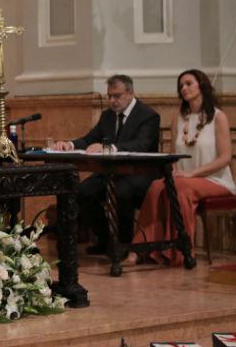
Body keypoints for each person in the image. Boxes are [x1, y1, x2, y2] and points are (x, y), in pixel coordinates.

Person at [127, 69, 236, 266]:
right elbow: (173, 156)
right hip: (183, 178)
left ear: (201, 85)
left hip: (215, 180)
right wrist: (174, 173)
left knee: (181, 189)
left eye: (188, 83)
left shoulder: (218, 117)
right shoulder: (179, 118)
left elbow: (225, 158)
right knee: (155, 187)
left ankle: (181, 252)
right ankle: (140, 250)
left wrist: (191, 174)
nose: (184, 88)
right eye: (181, 86)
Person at [53, 74, 161, 254]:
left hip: (141, 173)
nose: (112, 100)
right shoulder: (107, 116)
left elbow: (141, 144)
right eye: (109, 96)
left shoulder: (148, 115)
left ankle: (124, 244)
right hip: (112, 172)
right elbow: (90, 139)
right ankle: (106, 241)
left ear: (130, 93)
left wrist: (108, 147)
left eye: (116, 96)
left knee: (120, 192)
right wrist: (69, 144)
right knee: (82, 192)